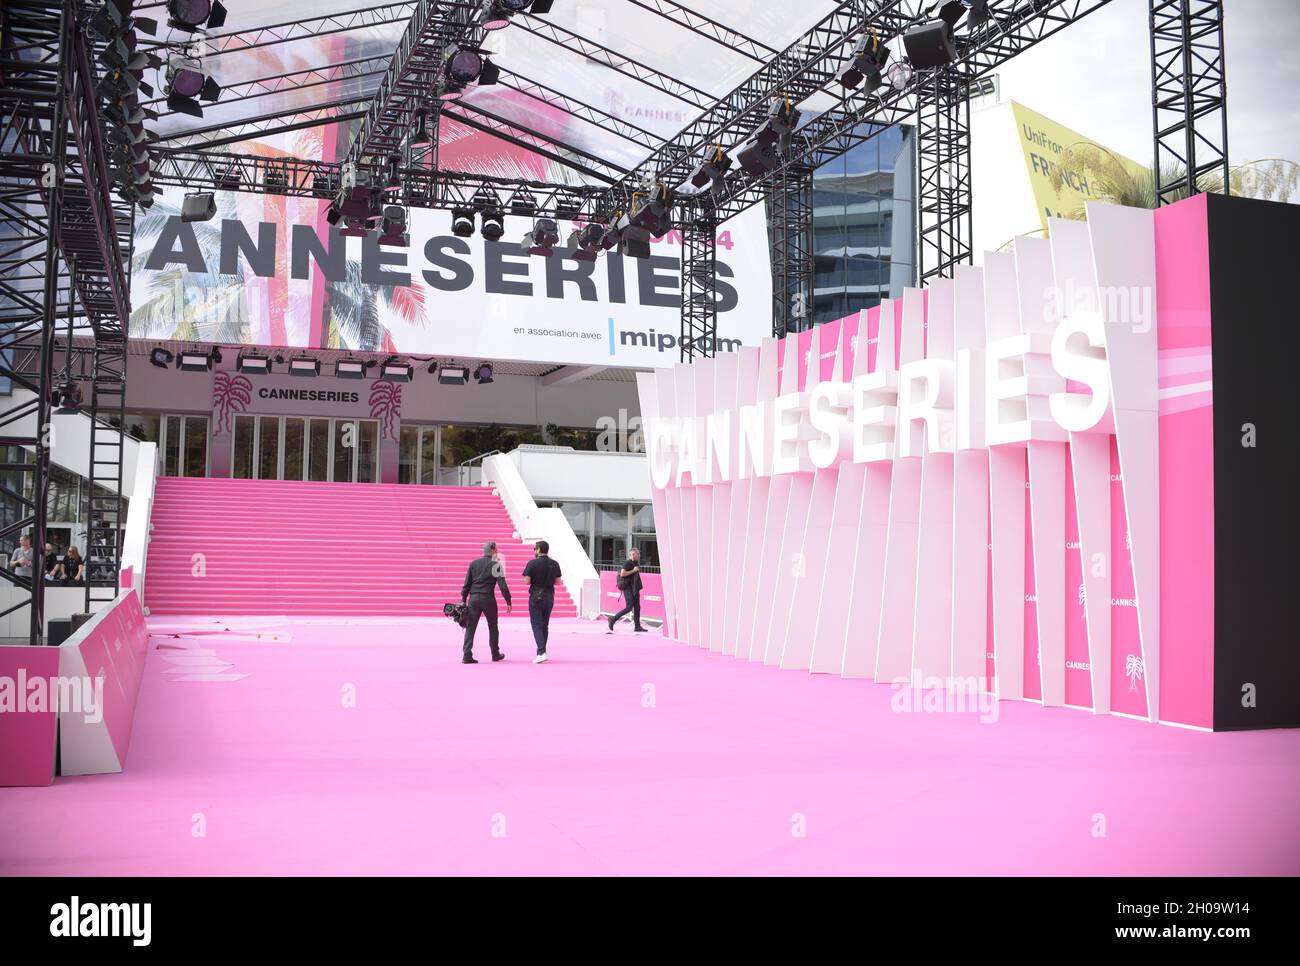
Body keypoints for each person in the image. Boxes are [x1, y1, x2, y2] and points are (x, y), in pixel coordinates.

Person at [460, 541, 511, 664]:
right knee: (493, 627)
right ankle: (495, 654)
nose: (497, 551)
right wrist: (508, 601)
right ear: (492, 550)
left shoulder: (473, 564)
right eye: (496, 549)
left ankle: (467, 655)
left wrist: (463, 600)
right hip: (488, 598)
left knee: (470, 627)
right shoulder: (496, 565)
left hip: (473, 599)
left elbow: (466, 585)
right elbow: (502, 585)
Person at [521, 540, 562, 664]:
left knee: (536, 624)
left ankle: (541, 652)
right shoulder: (554, 563)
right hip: (549, 596)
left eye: (534, 549)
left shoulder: (532, 563)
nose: (534, 551)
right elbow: (558, 582)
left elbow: (527, 581)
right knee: (545, 624)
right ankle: (541, 651)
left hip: (536, 596)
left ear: (538, 550)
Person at [607, 547, 648, 633]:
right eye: (638, 554)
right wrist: (633, 570)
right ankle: (613, 619)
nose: (639, 555)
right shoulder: (627, 563)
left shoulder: (635, 562)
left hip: (635, 588)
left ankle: (637, 626)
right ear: (633, 554)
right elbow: (622, 573)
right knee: (629, 607)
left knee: (637, 607)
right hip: (628, 588)